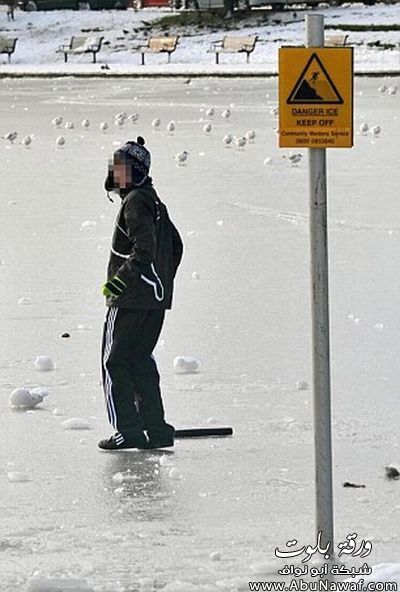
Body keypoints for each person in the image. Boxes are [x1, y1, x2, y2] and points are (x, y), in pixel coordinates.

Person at [98, 136, 183, 451]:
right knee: (140, 360)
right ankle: (156, 430)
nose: (117, 172)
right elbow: (175, 246)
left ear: (136, 173)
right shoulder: (153, 200)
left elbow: (144, 249)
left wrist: (119, 283)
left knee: (115, 362)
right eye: (116, 166)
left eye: (123, 167)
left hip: (130, 298)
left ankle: (127, 431)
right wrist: (160, 285)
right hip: (153, 301)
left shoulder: (135, 201)